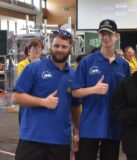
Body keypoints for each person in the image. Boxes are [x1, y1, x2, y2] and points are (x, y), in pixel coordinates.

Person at [12, 30, 80, 160]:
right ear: (50, 46)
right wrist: (43, 102)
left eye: (64, 46)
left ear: (70, 48)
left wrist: (77, 132)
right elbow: (16, 97)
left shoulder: (73, 75)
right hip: (32, 139)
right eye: (56, 45)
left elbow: (75, 107)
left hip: (60, 141)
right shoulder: (33, 68)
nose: (60, 50)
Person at [72, 19, 131, 160]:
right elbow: (75, 92)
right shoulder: (87, 62)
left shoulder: (123, 65)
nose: (106, 37)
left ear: (117, 36)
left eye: (109, 34)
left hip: (113, 128)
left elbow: (128, 96)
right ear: (99, 36)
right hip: (89, 127)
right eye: (102, 33)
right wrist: (93, 89)